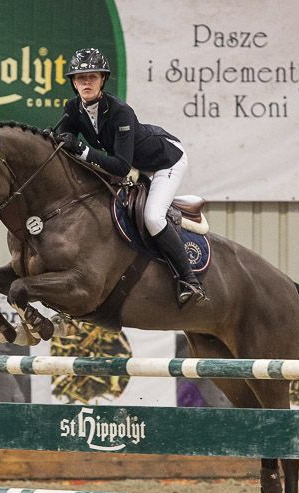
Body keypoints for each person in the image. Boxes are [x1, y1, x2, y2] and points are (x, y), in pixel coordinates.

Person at [55, 48, 206, 306]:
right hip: (137, 163)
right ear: (73, 83)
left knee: (153, 217)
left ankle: (189, 280)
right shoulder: (73, 108)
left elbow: (121, 167)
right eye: (80, 78)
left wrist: (82, 149)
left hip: (165, 161)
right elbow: (60, 138)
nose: (86, 82)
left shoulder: (120, 111)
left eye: (92, 77)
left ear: (103, 79)